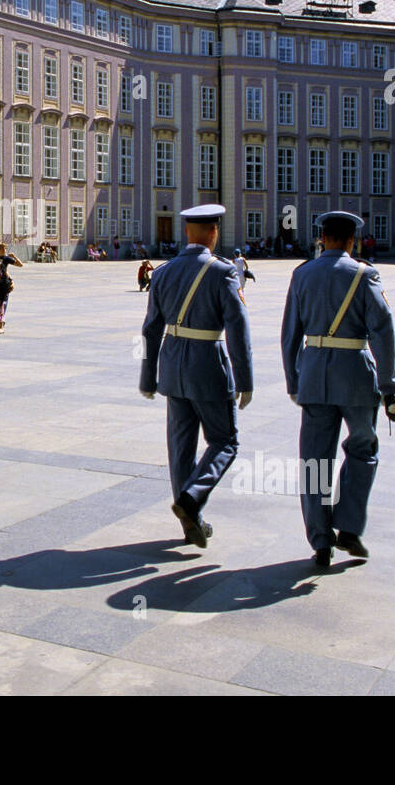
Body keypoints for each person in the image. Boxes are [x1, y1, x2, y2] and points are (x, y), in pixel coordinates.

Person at [281, 211, 395, 570]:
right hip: (356, 379)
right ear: (352, 241)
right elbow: (382, 330)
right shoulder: (365, 275)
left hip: (314, 376)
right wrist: (389, 385)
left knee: (315, 460)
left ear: (322, 238)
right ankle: (348, 526)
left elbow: (289, 335)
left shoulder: (302, 274)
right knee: (363, 450)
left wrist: (293, 380)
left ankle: (319, 540)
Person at [138, 203, 253, 549]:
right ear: (214, 232)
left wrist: (148, 377)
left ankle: (192, 523)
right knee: (225, 440)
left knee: (180, 449)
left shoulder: (164, 272)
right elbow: (237, 327)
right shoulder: (222, 272)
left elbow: (150, 329)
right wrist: (245, 379)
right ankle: (192, 498)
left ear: (187, 231)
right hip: (207, 365)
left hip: (173, 367)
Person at [0, 242, 23, 329]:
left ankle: (1, 319)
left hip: (4, 281)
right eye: (2, 249)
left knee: (4, 301)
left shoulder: (6, 258)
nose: (4, 250)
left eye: (5, 249)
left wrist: (13, 257)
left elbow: (20, 265)